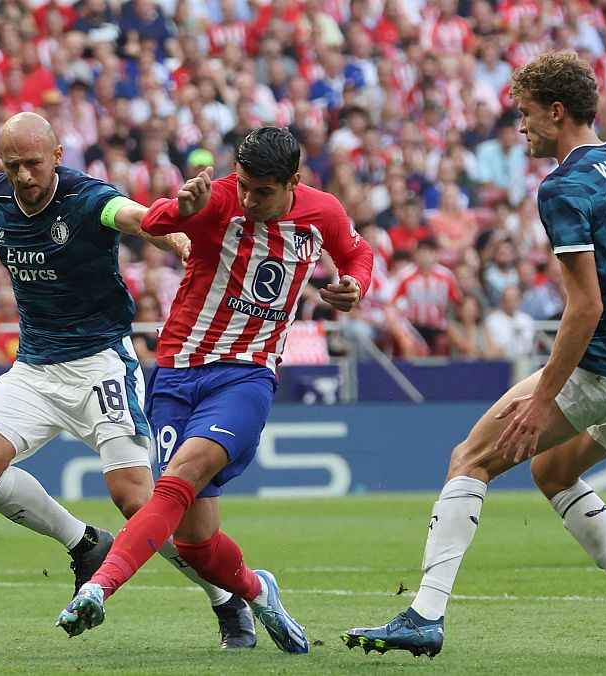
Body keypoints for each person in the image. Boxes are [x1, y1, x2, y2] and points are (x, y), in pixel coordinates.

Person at [0, 112, 259, 650]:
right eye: (12, 166)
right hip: (35, 368)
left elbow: (133, 217)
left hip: (100, 363)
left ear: (57, 156)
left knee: (137, 500)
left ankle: (226, 599)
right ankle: (83, 543)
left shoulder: (87, 198)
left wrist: (177, 233)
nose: (23, 177)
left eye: (33, 164)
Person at [56, 126, 374, 655]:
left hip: (246, 376)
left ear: (294, 181)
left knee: (176, 480)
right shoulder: (217, 197)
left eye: (263, 191)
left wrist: (355, 286)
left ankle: (99, 586)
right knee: (196, 545)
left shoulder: (323, 213)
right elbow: (154, 223)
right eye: (244, 184)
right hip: (177, 373)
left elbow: (356, 254)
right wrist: (180, 208)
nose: (248, 199)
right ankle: (257, 591)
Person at [342, 51, 606, 658]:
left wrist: (543, 400)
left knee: (471, 458)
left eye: (526, 114)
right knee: (555, 471)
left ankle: (424, 614)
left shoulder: (564, 187)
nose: (521, 127)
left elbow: (585, 308)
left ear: (557, 112)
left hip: (603, 368)